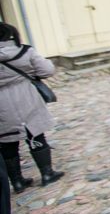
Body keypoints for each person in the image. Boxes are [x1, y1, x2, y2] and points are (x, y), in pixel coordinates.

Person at [0, 22, 65, 192]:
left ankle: (17, 182)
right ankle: (47, 173)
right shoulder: (24, 51)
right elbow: (47, 70)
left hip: (1, 104)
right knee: (35, 134)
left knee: (7, 142)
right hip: (26, 97)